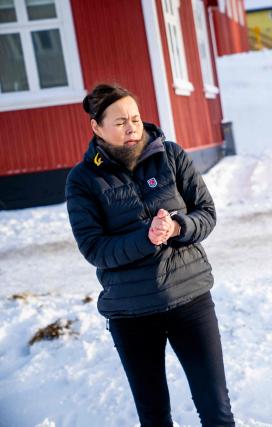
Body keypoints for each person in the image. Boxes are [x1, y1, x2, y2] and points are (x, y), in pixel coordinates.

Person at [65, 84, 235, 427]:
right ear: (97, 127)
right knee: (154, 416)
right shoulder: (83, 180)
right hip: (132, 313)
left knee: (216, 410)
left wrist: (177, 228)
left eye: (135, 118)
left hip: (190, 300)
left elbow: (206, 213)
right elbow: (95, 248)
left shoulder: (170, 155)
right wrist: (146, 238)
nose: (131, 127)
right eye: (119, 122)